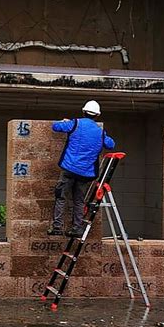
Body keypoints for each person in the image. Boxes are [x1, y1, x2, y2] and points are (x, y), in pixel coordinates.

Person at [48, 100, 115, 237]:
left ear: (83, 112)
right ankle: (76, 228)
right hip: (86, 173)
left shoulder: (75, 123)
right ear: (97, 115)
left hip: (69, 169)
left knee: (61, 197)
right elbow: (111, 144)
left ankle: (57, 228)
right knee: (79, 201)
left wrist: (64, 121)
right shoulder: (100, 132)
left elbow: (55, 127)